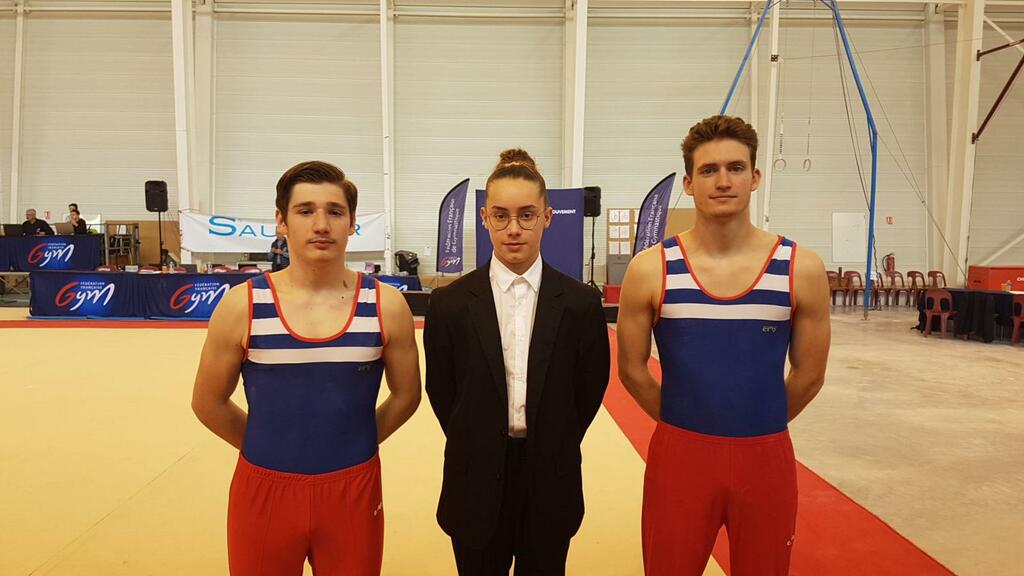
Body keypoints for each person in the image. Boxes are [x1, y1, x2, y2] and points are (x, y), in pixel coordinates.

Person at [616, 115, 831, 576]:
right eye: (709, 170)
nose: (723, 181)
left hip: (765, 455)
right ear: (689, 183)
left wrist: (757, 420)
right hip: (680, 456)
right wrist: (684, 423)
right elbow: (631, 370)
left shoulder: (800, 268)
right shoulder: (651, 268)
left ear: (755, 177)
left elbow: (810, 375)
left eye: (735, 168)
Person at [191, 160, 421, 576]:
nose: (321, 225)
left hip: (353, 488)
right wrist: (268, 445)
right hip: (264, 487)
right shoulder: (243, 305)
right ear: (281, 221)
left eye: (335, 212)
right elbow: (208, 402)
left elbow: (407, 396)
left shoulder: (386, 305)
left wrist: (353, 440)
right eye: (305, 211)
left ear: (352, 223)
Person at [424, 148, 610, 576]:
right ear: (485, 218)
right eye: (501, 216)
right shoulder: (450, 304)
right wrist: (478, 437)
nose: (513, 229)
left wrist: (556, 437)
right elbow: (443, 391)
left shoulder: (580, 304)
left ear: (547, 217)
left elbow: (589, 389)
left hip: (550, 475)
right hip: (475, 476)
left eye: (527, 216)